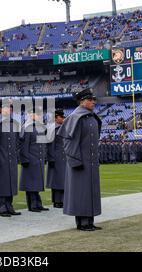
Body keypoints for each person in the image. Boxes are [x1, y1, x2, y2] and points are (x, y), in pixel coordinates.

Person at [57, 88, 102, 231]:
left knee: (90, 193)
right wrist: (75, 161)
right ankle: (82, 223)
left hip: (91, 163)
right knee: (82, 193)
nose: (93, 102)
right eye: (90, 100)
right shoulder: (75, 117)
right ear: (82, 102)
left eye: (93, 100)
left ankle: (89, 221)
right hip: (80, 163)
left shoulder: (91, 117)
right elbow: (69, 142)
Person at [0, 100, 22, 217]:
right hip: (1, 160)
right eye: (7, 107)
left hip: (11, 160)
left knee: (10, 184)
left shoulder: (14, 123)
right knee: (1, 184)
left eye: (11, 108)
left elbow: (16, 142)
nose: (9, 110)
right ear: (1, 109)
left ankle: (9, 206)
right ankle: (2, 207)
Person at [19, 108, 49, 212]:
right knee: (30, 184)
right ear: (30, 115)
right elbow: (23, 146)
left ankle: (38, 203)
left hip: (38, 159)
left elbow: (42, 145)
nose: (40, 116)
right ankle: (32, 205)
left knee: (36, 183)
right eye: (37, 114)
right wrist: (25, 159)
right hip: (31, 160)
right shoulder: (27, 127)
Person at [46, 109, 67, 209]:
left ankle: (62, 200)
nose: (63, 119)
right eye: (61, 117)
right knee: (57, 181)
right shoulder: (52, 129)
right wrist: (51, 158)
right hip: (56, 157)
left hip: (63, 157)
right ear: (55, 118)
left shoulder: (62, 128)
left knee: (62, 181)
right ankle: (57, 201)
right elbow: (50, 145)